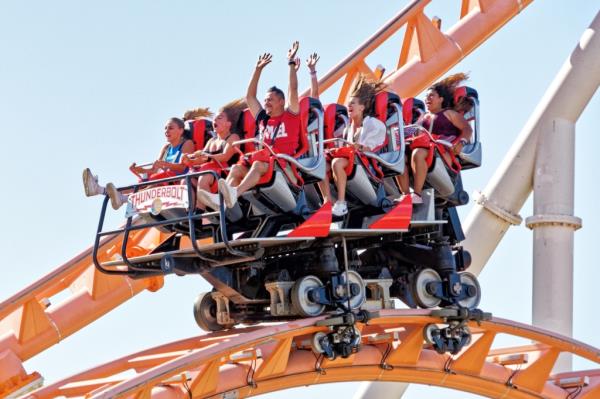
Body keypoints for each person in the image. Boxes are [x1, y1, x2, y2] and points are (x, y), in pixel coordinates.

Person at [200, 42, 303, 209]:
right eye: (265, 100)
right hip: (265, 163)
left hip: (284, 167)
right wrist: (258, 70)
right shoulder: (263, 118)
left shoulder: (290, 116)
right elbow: (250, 97)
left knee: (256, 164)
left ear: (281, 102)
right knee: (236, 169)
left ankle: (234, 193)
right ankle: (221, 202)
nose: (266, 102)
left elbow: (293, 88)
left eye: (270, 99)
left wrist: (291, 63)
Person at [83, 117, 194, 209]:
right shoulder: (166, 148)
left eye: (170, 128)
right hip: (162, 179)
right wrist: (139, 170)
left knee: (154, 181)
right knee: (143, 180)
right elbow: (154, 170)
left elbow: (183, 167)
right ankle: (100, 190)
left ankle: (121, 198)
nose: (166, 131)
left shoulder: (187, 143)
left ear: (181, 130)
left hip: (176, 181)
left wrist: (165, 165)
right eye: (165, 128)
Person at [396, 73, 474, 204]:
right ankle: (406, 195)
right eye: (426, 97)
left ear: (441, 99)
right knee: (398, 157)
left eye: (431, 96)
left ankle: (417, 194)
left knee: (418, 153)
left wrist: (461, 142)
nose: (427, 99)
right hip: (426, 149)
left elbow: (467, 129)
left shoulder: (449, 114)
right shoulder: (422, 118)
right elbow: (410, 134)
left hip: (443, 153)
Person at [318, 74, 387, 216]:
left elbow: (371, 148)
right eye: (348, 104)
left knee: (337, 162)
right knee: (320, 164)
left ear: (362, 107)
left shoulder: (374, 124)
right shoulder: (347, 129)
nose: (349, 106)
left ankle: (341, 203)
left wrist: (358, 147)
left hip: (368, 167)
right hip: (353, 161)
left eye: (353, 103)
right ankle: (327, 202)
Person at [187, 98, 246, 210]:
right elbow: (202, 159)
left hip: (226, 173)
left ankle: (212, 210)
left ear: (228, 124)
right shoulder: (211, 141)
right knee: (189, 179)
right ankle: (194, 213)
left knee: (205, 175)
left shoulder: (233, 137)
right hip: (211, 172)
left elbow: (225, 157)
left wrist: (207, 156)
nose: (215, 121)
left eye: (219, 118)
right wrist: (190, 160)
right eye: (214, 119)